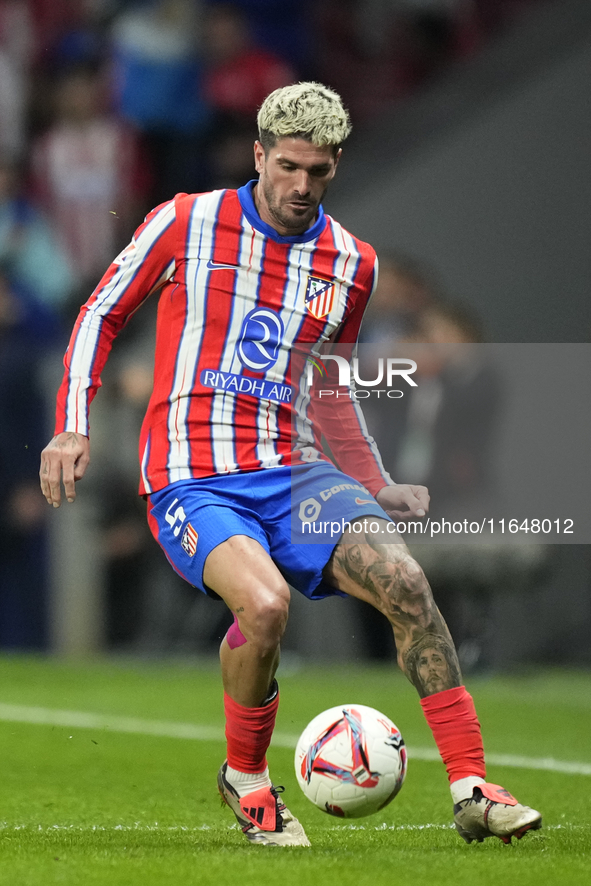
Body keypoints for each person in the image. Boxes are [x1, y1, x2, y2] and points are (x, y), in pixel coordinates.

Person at [40, 82, 541, 848]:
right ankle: (246, 779)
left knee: (406, 582)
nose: (301, 186)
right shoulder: (186, 220)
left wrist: (374, 483)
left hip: (294, 472)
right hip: (192, 471)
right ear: (258, 155)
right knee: (266, 606)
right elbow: (101, 311)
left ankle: (473, 786)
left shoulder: (351, 262)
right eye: (288, 167)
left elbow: (331, 387)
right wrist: (71, 428)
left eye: (319, 172)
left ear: (336, 164)